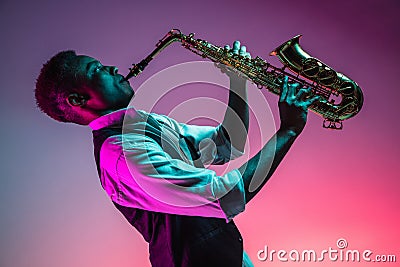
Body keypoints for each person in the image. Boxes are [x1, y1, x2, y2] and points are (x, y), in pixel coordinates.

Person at [35, 40, 318, 267]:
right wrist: (289, 130)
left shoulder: (143, 125)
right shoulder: (120, 154)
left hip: (228, 255)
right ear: (77, 100)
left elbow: (226, 144)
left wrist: (238, 80)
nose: (111, 67)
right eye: (96, 70)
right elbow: (224, 195)